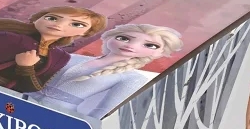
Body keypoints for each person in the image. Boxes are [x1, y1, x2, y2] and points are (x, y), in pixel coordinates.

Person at [34, 24, 182, 117]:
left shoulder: (133, 78)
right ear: (109, 37)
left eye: (150, 45)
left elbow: (104, 111)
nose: (131, 46)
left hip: (58, 117)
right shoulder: (71, 57)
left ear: (160, 52)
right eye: (123, 38)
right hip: (25, 101)